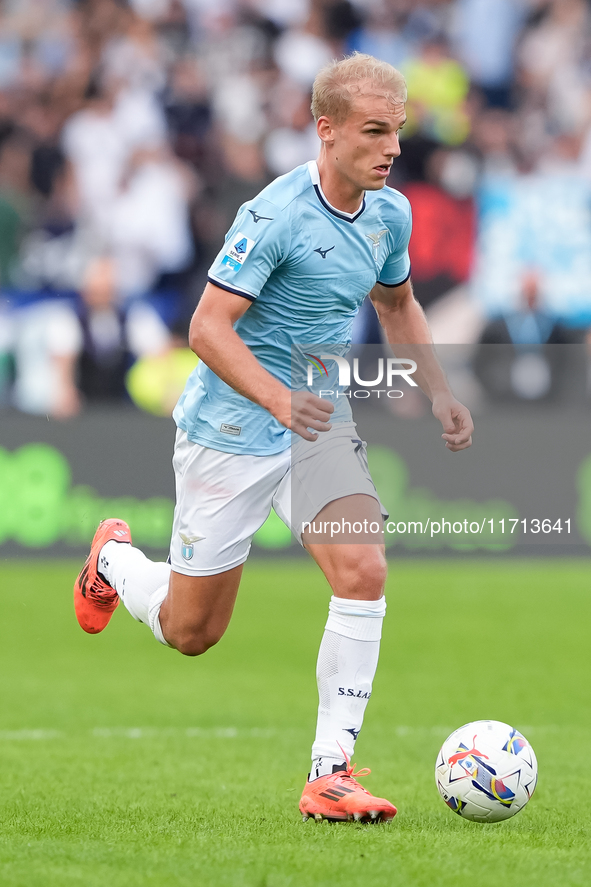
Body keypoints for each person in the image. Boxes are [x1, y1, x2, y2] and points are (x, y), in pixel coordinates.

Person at [73, 53, 473, 824]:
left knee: (362, 568)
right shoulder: (275, 214)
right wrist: (276, 397)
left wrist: (440, 390)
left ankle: (330, 771)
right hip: (230, 427)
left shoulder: (390, 212)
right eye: (373, 131)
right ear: (326, 130)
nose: (391, 148)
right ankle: (115, 559)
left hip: (316, 421)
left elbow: (397, 304)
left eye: (397, 131)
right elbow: (205, 327)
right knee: (192, 631)